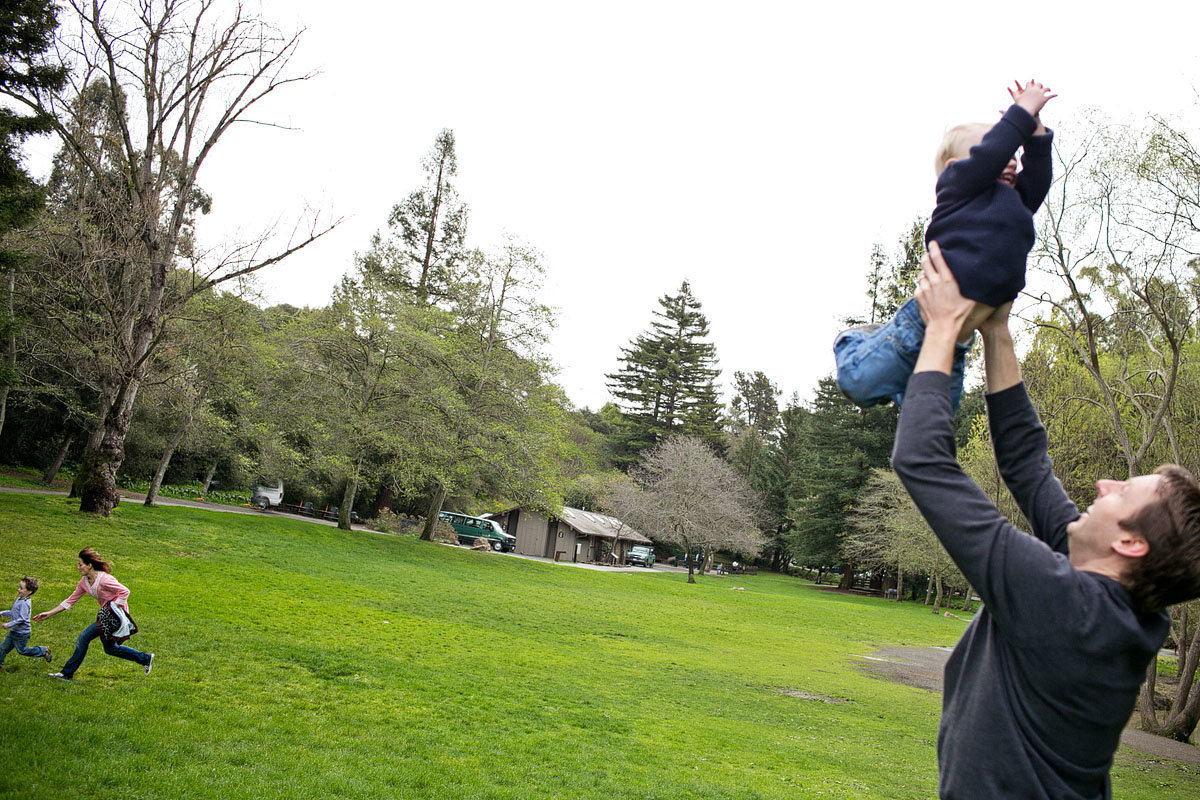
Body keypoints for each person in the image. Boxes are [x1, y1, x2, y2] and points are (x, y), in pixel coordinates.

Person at [892, 242, 1200, 799]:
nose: (1104, 485)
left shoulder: (1062, 604)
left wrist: (942, 327)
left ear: (1130, 543)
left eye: (1122, 491)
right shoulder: (1116, 606)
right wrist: (998, 330)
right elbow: (1028, 468)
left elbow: (923, 461)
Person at [835, 79, 1056, 415]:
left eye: (1015, 154)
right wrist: (1022, 111)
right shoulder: (959, 189)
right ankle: (855, 340)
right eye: (1000, 153)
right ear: (957, 166)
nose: (1011, 160)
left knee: (935, 420)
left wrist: (1036, 131)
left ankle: (899, 389)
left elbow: (1037, 175)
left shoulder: (1015, 202)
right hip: (922, 324)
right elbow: (992, 155)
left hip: (957, 341)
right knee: (857, 382)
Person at [32, 547, 154, 681]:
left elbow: (125, 591)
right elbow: (70, 601)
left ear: (89, 565)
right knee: (110, 649)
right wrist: (49, 613)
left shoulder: (104, 579)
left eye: (80, 564)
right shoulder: (84, 582)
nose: (78, 567)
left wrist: (113, 607)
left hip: (115, 617)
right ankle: (145, 658)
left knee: (83, 638)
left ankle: (66, 674)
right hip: (105, 616)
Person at [1, 576, 52, 669]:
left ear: (29, 592)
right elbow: (14, 612)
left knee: (22, 650)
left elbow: (22, 619)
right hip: (13, 631)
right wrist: (3, 613)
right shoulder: (19, 599)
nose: (18, 589)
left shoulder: (25, 603)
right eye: (19, 587)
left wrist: (8, 624)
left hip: (21, 634)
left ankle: (43, 650)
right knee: (2, 648)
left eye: (21, 588)